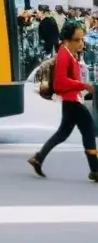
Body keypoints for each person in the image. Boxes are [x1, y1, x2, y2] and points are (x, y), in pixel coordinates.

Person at [28, 21, 98, 182]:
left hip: (71, 101)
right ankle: (95, 169)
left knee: (63, 133)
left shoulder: (69, 53)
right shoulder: (64, 54)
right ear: (66, 40)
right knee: (88, 130)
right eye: (77, 40)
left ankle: (38, 158)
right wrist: (84, 85)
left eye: (82, 39)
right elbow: (60, 82)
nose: (81, 43)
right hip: (72, 101)